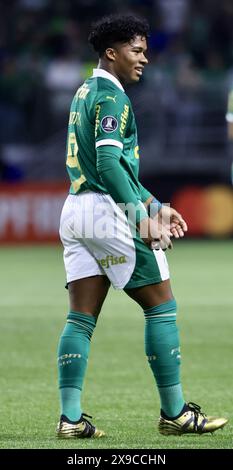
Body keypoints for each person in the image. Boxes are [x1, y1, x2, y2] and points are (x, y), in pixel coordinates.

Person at [57, 14, 228, 438]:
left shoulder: (85, 91)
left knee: (80, 318)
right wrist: (141, 217)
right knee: (162, 306)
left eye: (146, 50)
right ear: (111, 53)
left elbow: (104, 166)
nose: (145, 59)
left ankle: (71, 420)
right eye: (137, 50)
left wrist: (155, 204)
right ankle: (175, 413)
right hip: (106, 211)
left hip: (75, 208)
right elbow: (111, 164)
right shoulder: (113, 97)